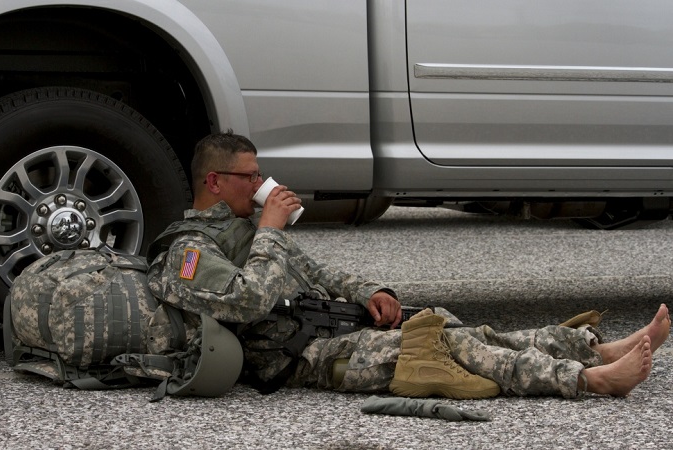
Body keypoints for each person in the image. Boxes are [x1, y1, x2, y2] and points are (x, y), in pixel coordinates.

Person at [147, 131, 670, 399]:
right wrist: (269, 232)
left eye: (260, 173)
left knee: (448, 322)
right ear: (214, 182)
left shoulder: (242, 230)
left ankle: (591, 348)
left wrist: (374, 290)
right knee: (441, 344)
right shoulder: (187, 253)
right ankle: (587, 381)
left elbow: (320, 273)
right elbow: (251, 300)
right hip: (296, 355)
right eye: (249, 177)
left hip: (327, 324)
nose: (260, 184)